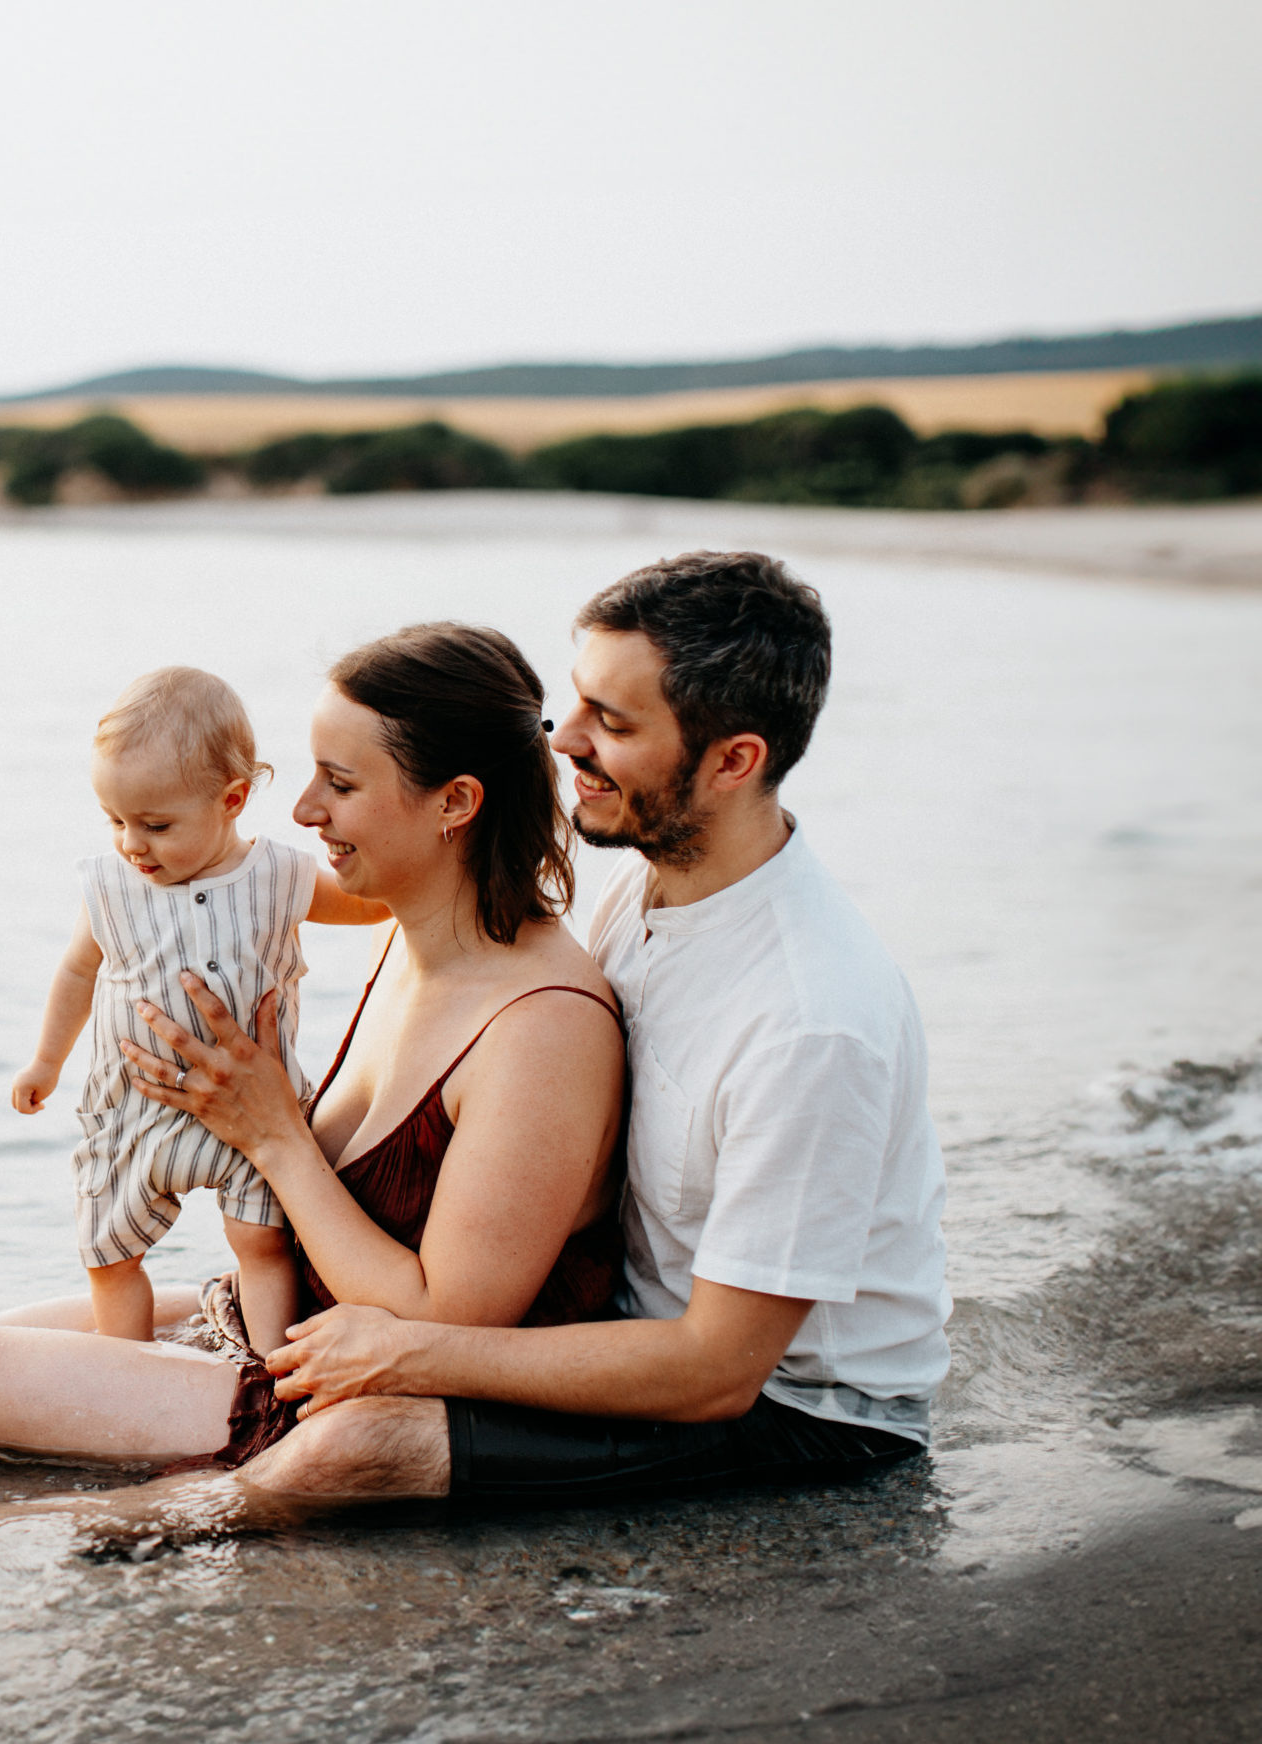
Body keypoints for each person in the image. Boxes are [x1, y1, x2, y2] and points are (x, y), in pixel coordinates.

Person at [147, 550, 949, 1507]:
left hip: (798, 1412)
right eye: (576, 703)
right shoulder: (636, 896)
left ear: (734, 762)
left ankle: (79, 1543)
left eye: (613, 723)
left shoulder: (810, 1021)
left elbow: (718, 1370)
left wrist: (413, 1349)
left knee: (357, 1445)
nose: (561, 739)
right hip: (614, 1331)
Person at [0, 624, 627, 1466]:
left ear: (455, 803)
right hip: (266, 1329)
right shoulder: (406, 940)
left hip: (328, 1397)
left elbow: (446, 1323)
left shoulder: (543, 1029)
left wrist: (274, 1134)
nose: (303, 810)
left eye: (339, 783)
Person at [9, 666, 387, 1351]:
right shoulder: (111, 887)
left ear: (232, 799)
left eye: (156, 825)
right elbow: (77, 971)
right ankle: (125, 1363)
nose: (132, 843)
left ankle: (270, 1366)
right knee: (110, 1254)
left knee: (261, 1241)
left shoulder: (278, 876)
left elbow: (374, 902)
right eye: (116, 820)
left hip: (255, 1110)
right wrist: (46, 1061)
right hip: (134, 1108)